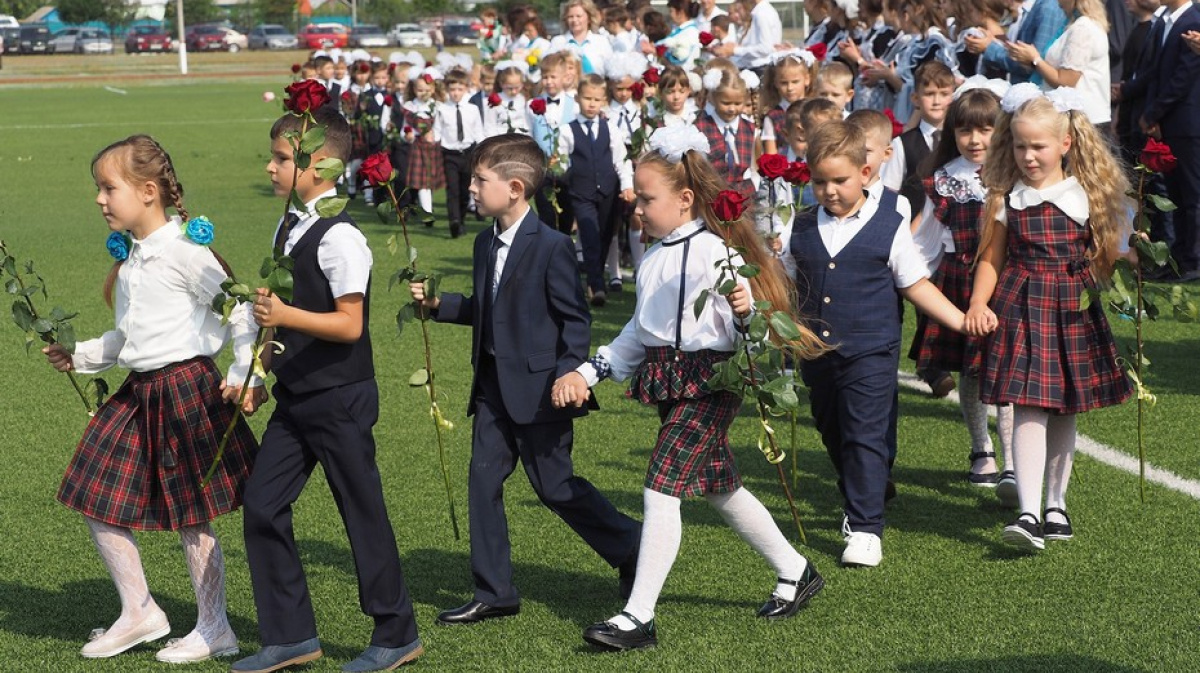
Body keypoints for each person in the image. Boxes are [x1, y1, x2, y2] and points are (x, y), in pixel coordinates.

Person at [553, 125, 827, 652]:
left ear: (684, 199)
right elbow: (640, 334)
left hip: (710, 382)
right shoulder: (652, 257)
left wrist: (747, 315)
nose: (637, 207)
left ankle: (638, 617)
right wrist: (589, 371)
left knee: (660, 488)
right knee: (721, 488)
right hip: (667, 379)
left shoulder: (717, 252)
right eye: (636, 197)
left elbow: (752, 335)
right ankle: (797, 571)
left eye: (647, 198)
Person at [409, 133, 642, 627]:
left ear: (515, 188)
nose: (470, 187)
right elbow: (486, 309)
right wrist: (438, 305)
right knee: (482, 482)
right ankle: (495, 591)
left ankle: (631, 545)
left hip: (542, 393)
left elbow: (574, 321)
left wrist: (569, 375)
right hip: (492, 387)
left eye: (479, 179)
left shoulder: (553, 247)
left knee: (554, 488)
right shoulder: (482, 242)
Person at [45, 135, 257, 664]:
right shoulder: (135, 258)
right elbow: (128, 336)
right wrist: (81, 354)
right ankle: (139, 610)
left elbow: (242, 313)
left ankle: (216, 627)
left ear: (146, 192)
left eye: (107, 188)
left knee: (192, 512)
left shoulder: (186, 251)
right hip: (140, 391)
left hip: (186, 388)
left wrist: (242, 376)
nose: (99, 199)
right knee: (91, 492)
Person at [233, 106, 423, 673]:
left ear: (321, 164)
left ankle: (397, 632)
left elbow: (349, 325)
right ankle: (291, 635)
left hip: (340, 397)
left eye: (281, 159)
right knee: (261, 505)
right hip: (295, 396)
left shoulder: (341, 236)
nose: (269, 167)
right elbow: (275, 315)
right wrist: (261, 373)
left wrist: (287, 313)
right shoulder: (287, 224)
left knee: (361, 513)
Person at [791, 121, 971, 568]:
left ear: (866, 174)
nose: (829, 191)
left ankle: (866, 527)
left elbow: (915, 283)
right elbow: (782, 283)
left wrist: (961, 321)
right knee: (832, 428)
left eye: (840, 180)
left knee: (864, 434)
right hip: (815, 352)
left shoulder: (889, 223)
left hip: (871, 350)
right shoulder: (799, 225)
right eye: (819, 182)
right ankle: (863, 484)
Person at [967, 85, 1133, 550]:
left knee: (1065, 407)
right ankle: (1028, 512)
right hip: (1021, 306)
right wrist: (979, 303)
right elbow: (989, 260)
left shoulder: (1088, 198)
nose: (1027, 156)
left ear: (1065, 143)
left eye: (1037, 146)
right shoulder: (1007, 199)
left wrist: (1132, 257)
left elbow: (1104, 261)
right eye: (1020, 145)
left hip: (1072, 309)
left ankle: (1056, 506)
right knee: (1027, 404)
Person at [909, 82, 1018, 496]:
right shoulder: (944, 181)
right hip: (958, 280)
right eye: (964, 131)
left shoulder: (1014, 175)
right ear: (952, 135)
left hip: (1008, 283)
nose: (974, 140)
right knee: (972, 371)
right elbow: (927, 242)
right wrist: (901, 275)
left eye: (985, 130)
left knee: (1007, 370)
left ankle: (1012, 458)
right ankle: (981, 449)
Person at [562, 74, 636, 306]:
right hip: (581, 193)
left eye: (597, 99)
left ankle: (595, 279)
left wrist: (627, 185)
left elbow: (621, 160)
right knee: (589, 233)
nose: (592, 104)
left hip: (608, 192)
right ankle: (596, 285)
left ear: (603, 100)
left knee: (605, 235)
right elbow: (562, 162)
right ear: (577, 98)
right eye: (587, 98)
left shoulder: (610, 129)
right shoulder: (567, 130)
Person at [1140, 0, 1200, 281]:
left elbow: (1183, 77)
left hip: (1188, 122)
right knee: (1175, 195)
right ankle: (1177, 259)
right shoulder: (1168, 21)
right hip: (1171, 123)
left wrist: (1153, 112)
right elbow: (1158, 74)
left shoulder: (1193, 20)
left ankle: (1193, 261)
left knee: (1192, 194)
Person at [1003, 0, 1113, 129]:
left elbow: (1066, 81)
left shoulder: (1082, 28)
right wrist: (1031, 60)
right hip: (1075, 116)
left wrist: (1035, 59)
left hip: (1083, 120)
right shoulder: (1077, 25)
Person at [527, 51, 579, 232]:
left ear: (565, 77)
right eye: (545, 77)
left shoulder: (575, 105)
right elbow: (530, 135)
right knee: (546, 213)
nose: (549, 81)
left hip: (567, 168)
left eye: (553, 77)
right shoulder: (532, 105)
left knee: (566, 213)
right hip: (542, 169)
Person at [966, 0, 1068, 86]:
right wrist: (994, 43)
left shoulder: (1048, 8)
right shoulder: (1032, 8)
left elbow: (1032, 64)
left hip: (1034, 96)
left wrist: (989, 47)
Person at [437, 68, 486, 239]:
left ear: (466, 88)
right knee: (452, 189)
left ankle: (462, 218)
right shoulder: (442, 109)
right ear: (447, 90)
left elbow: (478, 131)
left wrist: (482, 150)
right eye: (452, 89)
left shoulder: (472, 109)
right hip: (449, 153)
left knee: (466, 190)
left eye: (459, 89)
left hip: (468, 153)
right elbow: (438, 131)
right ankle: (454, 221)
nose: (456, 93)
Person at [696, 66, 756, 197]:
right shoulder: (701, 127)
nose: (732, 109)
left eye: (738, 103)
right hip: (713, 193)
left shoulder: (750, 128)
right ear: (713, 98)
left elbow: (754, 168)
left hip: (745, 195)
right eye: (726, 103)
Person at [402, 69, 446, 225]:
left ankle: (424, 208)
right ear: (414, 90)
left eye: (427, 90)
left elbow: (441, 127)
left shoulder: (438, 106)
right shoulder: (410, 107)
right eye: (420, 90)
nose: (423, 93)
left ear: (433, 89)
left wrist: (434, 136)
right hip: (417, 147)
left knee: (429, 182)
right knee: (422, 184)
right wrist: (408, 135)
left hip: (433, 147)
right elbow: (404, 128)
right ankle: (427, 214)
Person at [760, 49, 818, 155]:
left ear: (807, 79)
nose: (790, 88)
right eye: (784, 83)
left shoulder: (817, 109)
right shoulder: (773, 116)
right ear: (775, 83)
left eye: (795, 82)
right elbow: (771, 155)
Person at [550, 0, 614, 76]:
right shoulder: (558, 42)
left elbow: (611, 70)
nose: (574, 20)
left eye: (578, 16)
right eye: (570, 17)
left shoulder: (601, 41)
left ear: (589, 18)